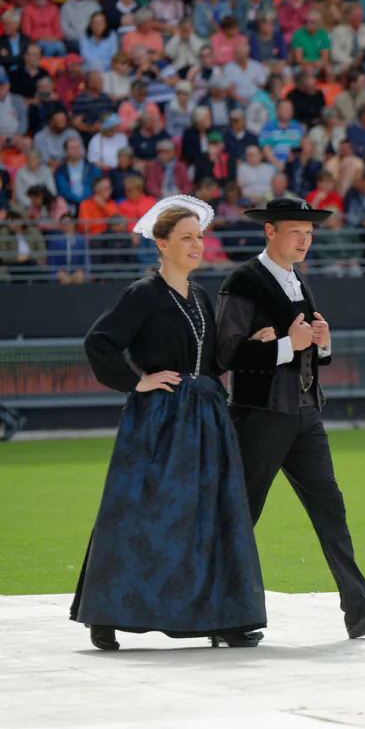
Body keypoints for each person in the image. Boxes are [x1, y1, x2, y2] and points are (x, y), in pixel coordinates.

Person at [72, 196, 268, 651]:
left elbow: (213, 360)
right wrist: (136, 382)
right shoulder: (142, 294)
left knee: (209, 515)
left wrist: (255, 342)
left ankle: (222, 616)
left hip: (206, 418)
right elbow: (99, 342)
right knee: (137, 515)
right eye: (186, 238)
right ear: (161, 244)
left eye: (199, 237)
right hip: (159, 421)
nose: (197, 245)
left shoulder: (200, 296)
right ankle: (105, 614)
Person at [214, 197, 365, 641]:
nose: (305, 239)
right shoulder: (243, 281)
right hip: (260, 416)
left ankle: (359, 608)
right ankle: (222, 615)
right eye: (295, 231)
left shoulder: (295, 281)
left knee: (330, 509)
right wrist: (288, 344)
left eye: (310, 232)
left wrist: (319, 344)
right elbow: (226, 354)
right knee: (242, 515)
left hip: (303, 414)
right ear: (270, 231)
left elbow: (302, 350)